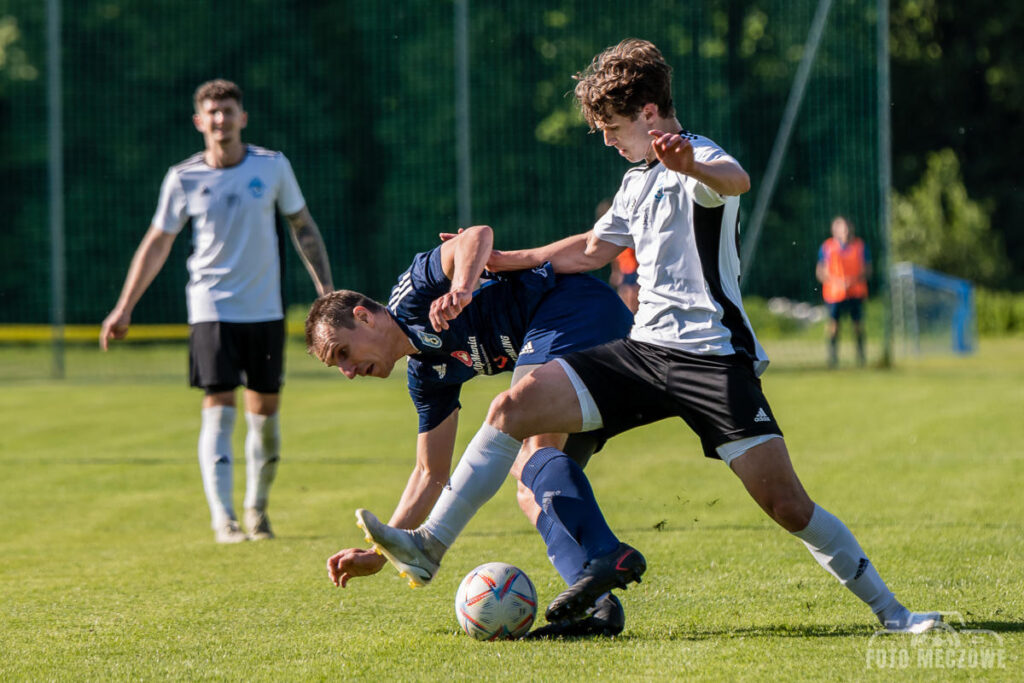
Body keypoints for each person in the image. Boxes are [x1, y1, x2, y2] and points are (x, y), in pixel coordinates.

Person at [359, 39, 941, 635]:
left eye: (612, 127)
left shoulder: (698, 158)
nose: (608, 140)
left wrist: (688, 163)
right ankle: (430, 545)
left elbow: (735, 180)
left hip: (712, 361)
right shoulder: (635, 184)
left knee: (788, 506)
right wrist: (503, 260)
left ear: (647, 113)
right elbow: (590, 250)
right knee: (513, 407)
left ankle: (894, 614)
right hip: (642, 354)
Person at [305, 224, 634, 637]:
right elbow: (430, 473)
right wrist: (379, 553)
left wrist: (460, 287)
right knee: (531, 487)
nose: (350, 372)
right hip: (578, 342)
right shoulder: (425, 376)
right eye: (340, 368)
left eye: (344, 354)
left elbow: (477, 234)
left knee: (529, 437)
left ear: (363, 316)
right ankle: (599, 607)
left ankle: (607, 554)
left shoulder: (411, 296)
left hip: (574, 312)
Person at [100, 79, 334, 543]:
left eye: (228, 110)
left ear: (242, 117)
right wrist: (124, 306)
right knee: (219, 410)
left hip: (264, 309)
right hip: (210, 309)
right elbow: (158, 242)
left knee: (264, 420)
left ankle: (257, 510)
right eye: (212, 111)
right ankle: (223, 518)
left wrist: (326, 292)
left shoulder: (272, 167)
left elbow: (302, 226)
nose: (220, 119)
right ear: (199, 121)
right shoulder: (183, 177)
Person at [816, 216, 871, 367]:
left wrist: (852, 281)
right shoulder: (827, 247)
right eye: (841, 228)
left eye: (846, 228)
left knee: (858, 325)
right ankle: (833, 359)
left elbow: (867, 270)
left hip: (856, 292)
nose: (844, 231)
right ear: (834, 230)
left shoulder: (860, 246)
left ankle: (861, 358)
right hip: (834, 294)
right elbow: (820, 272)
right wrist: (836, 282)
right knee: (833, 325)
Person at [600, 198, 640, 314]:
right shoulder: (610, 235)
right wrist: (616, 272)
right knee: (624, 297)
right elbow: (614, 258)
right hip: (625, 269)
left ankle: (632, 321)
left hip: (634, 268)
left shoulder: (628, 229)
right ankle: (627, 321)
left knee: (633, 297)